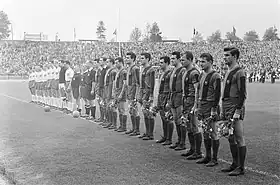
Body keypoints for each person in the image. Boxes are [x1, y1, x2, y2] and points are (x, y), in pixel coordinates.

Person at [221, 47, 247, 176]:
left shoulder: (239, 72)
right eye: (224, 55)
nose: (224, 57)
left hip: (234, 107)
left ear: (235, 56)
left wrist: (238, 110)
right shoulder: (228, 70)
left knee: (239, 137)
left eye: (227, 55)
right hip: (226, 106)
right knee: (230, 137)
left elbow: (242, 93)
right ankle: (234, 163)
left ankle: (241, 167)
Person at [195, 53, 221, 167]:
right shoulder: (201, 75)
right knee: (205, 132)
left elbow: (217, 94)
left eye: (203, 61)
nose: (201, 63)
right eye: (200, 61)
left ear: (210, 62)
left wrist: (214, 109)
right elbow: (198, 91)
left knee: (213, 133)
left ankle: (214, 159)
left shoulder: (215, 76)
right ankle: (207, 156)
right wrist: (196, 106)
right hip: (202, 106)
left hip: (210, 106)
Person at [180, 51, 203, 160]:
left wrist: (195, 105)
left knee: (194, 126)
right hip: (186, 102)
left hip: (192, 102)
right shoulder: (186, 71)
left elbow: (197, 90)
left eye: (183, 60)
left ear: (190, 60)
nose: (182, 61)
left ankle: (198, 152)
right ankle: (192, 149)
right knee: (188, 126)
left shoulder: (194, 73)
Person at [169, 52, 186, 149]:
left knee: (180, 119)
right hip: (173, 96)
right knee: (176, 119)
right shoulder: (173, 70)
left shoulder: (182, 70)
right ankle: (179, 140)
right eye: (171, 59)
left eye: (173, 59)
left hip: (179, 96)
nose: (172, 60)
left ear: (179, 59)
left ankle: (182, 142)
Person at [154, 56, 173, 145]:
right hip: (161, 97)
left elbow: (170, 88)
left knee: (168, 118)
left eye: (162, 63)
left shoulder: (170, 74)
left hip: (166, 96)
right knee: (163, 118)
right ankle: (165, 137)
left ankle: (169, 138)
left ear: (166, 63)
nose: (160, 64)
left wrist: (169, 101)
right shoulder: (162, 73)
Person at [138, 52, 156, 140]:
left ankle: (150, 134)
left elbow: (152, 84)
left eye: (142, 58)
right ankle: (147, 132)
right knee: (145, 113)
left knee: (149, 113)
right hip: (143, 94)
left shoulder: (151, 69)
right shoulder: (143, 69)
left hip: (148, 94)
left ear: (147, 59)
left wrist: (151, 96)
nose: (140, 60)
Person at [123, 52, 140, 134]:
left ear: (133, 59)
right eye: (126, 58)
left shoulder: (135, 68)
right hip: (129, 93)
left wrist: (136, 95)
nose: (126, 59)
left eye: (128, 58)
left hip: (133, 93)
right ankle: (134, 128)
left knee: (135, 110)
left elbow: (138, 83)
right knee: (131, 110)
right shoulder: (128, 68)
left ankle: (137, 130)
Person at [112, 57, 127, 130]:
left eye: (117, 62)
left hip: (121, 93)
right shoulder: (118, 71)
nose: (115, 64)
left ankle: (123, 126)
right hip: (117, 92)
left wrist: (121, 93)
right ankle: (121, 126)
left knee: (122, 109)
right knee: (119, 109)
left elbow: (125, 83)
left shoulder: (123, 71)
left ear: (121, 62)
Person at [103, 58, 117, 128]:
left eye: (108, 62)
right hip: (107, 90)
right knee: (108, 107)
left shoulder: (113, 71)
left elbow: (113, 83)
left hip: (110, 90)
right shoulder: (108, 70)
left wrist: (112, 92)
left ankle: (114, 124)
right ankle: (110, 122)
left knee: (111, 107)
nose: (106, 63)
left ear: (111, 63)